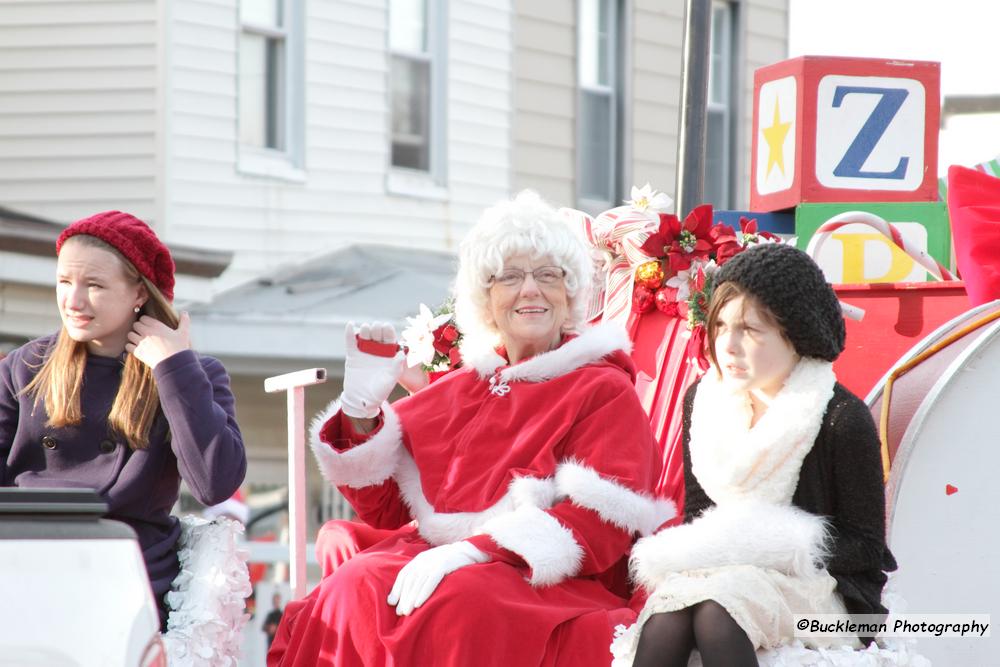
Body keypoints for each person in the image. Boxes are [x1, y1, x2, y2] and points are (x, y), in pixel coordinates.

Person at [268, 191, 672, 666]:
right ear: (487, 298)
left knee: (459, 604)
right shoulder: (465, 386)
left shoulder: (601, 388)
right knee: (353, 587)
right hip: (443, 558)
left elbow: (601, 525)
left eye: (548, 275)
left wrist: (475, 552)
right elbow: (385, 509)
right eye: (511, 277)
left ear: (570, 293)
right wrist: (362, 409)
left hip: (541, 577)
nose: (531, 290)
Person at [612, 243, 897, 666]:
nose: (728, 345)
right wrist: (728, 552)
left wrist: (766, 546)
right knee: (667, 621)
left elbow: (866, 546)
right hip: (725, 575)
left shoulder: (839, 417)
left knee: (717, 615)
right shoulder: (703, 402)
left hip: (825, 590)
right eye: (721, 326)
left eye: (751, 330)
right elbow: (699, 513)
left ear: (797, 334)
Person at [0, 211, 247, 629]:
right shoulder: (26, 367)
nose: (73, 302)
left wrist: (173, 368)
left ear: (138, 292)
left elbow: (214, 483)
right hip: (25, 555)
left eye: (93, 285)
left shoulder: (192, 374)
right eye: (64, 282)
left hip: (125, 567)